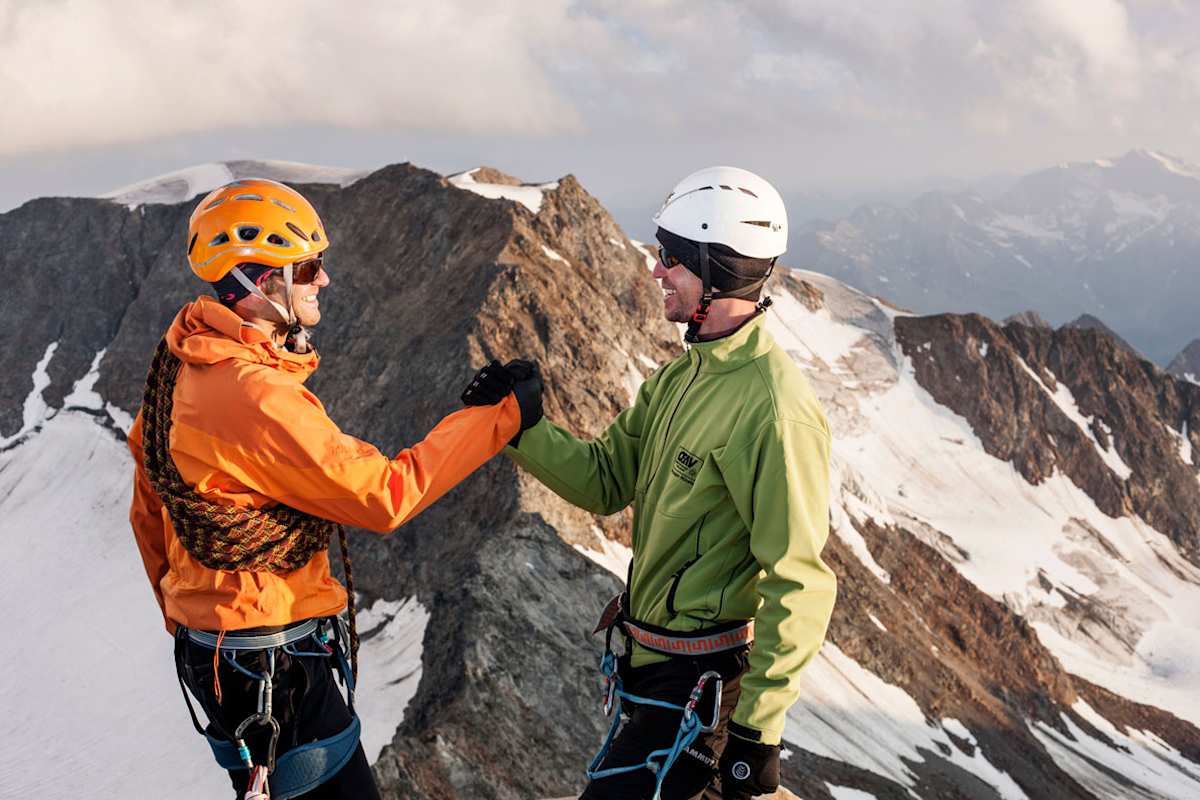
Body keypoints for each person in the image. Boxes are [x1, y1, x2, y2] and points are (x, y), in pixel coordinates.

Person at [128, 178, 541, 799]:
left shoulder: (184, 358)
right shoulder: (252, 393)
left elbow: (150, 505)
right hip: (275, 658)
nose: (323, 279)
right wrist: (500, 416)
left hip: (222, 653)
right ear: (257, 281)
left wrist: (188, 610)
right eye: (310, 267)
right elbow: (383, 495)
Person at [501, 166, 836, 799]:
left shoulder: (771, 408)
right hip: (656, 677)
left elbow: (802, 581)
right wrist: (521, 427)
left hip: (704, 690)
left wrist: (755, 735)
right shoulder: (679, 380)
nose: (655, 271)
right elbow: (605, 481)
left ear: (719, 270)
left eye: (671, 258)